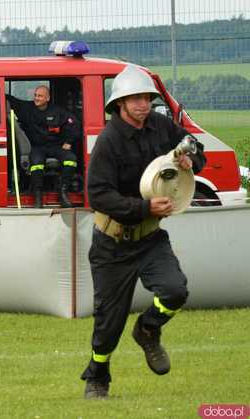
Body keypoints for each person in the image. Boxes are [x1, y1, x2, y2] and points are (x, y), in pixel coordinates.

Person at [80, 65, 206, 399]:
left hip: (150, 238)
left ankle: (148, 330)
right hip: (112, 243)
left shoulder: (161, 126)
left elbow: (192, 144)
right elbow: (99, 195)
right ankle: (98, 376)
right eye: (134, 99)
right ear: (119, 104)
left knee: (175, 290)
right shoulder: (108, 141)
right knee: (109, 322)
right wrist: (143, 208)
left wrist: (190, 159)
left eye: (147, 98)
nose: (143, 104)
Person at [6, 85, 78, 208]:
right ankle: (37, 197)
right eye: (35, 95)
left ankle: (63, 192)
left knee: (71, 161)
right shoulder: (27, 108)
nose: (36, 98)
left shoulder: (58, 111)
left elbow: (74, 123)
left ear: (48, 98)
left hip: (56, 146)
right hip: (37, 147)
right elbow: (11, 100)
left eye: (40, 96)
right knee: (37, 165)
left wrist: (69, 141)